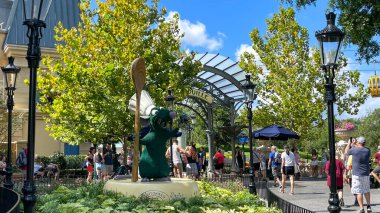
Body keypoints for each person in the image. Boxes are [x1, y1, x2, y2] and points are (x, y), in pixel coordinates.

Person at [347, 137, 372, 213]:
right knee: (366, 190)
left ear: (358, 142)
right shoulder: (367, 150)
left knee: (359, 192)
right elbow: (359, 149)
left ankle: (362, 208)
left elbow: (346, 151)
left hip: (357, 174)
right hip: (365, 173)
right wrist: (355, 144)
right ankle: (368, 206)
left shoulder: (354, 150)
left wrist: (349, 143)